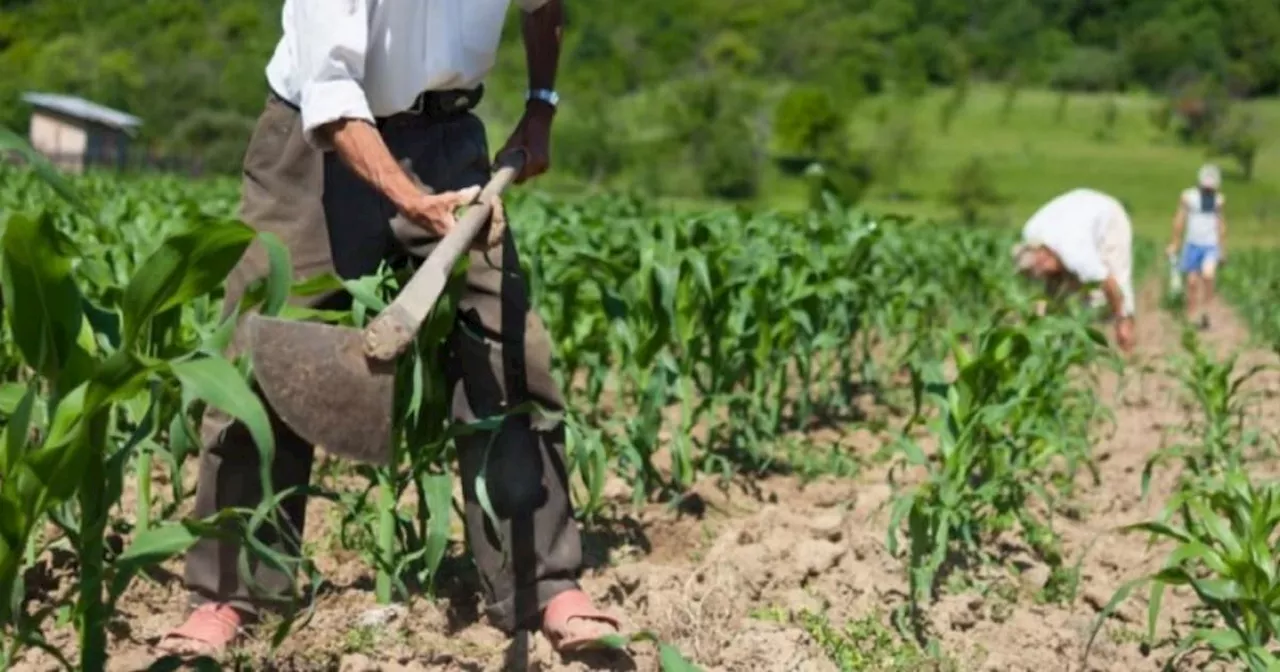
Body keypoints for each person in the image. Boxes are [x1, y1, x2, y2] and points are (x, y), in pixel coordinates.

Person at [157, 0, 621, 657]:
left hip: (450, 137)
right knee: (260, 352)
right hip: (312, 144)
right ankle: (234, 594)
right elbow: (332, 92)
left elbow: (544, 4)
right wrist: (408, 200)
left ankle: (540, 583)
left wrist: (541, 102)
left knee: (503, 343)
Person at [1011, 188, 1136, 353]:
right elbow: (1048, 285)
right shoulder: (1030, 233)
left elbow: (1108, 280)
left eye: (1040, 272)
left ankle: (1126, 335)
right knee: (1064, 290)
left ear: (1043, 257)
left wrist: (1121, 317)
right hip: (1077, 213)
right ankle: (1059, 340)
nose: (1041, 277)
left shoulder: (1076, 254)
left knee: (1115, 282)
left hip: (1109, 218)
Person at [1167, 163, 1227, 330]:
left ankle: (1206, 311)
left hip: (1210, 246)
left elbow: (1220, 224)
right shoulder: (1188, 197)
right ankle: (1191, 315)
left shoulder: (1219, 200)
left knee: (1208, 276)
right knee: (1192, 282)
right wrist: (1175, 242)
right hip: (1192, 244)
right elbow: (1179, 220)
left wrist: (1222, 249)